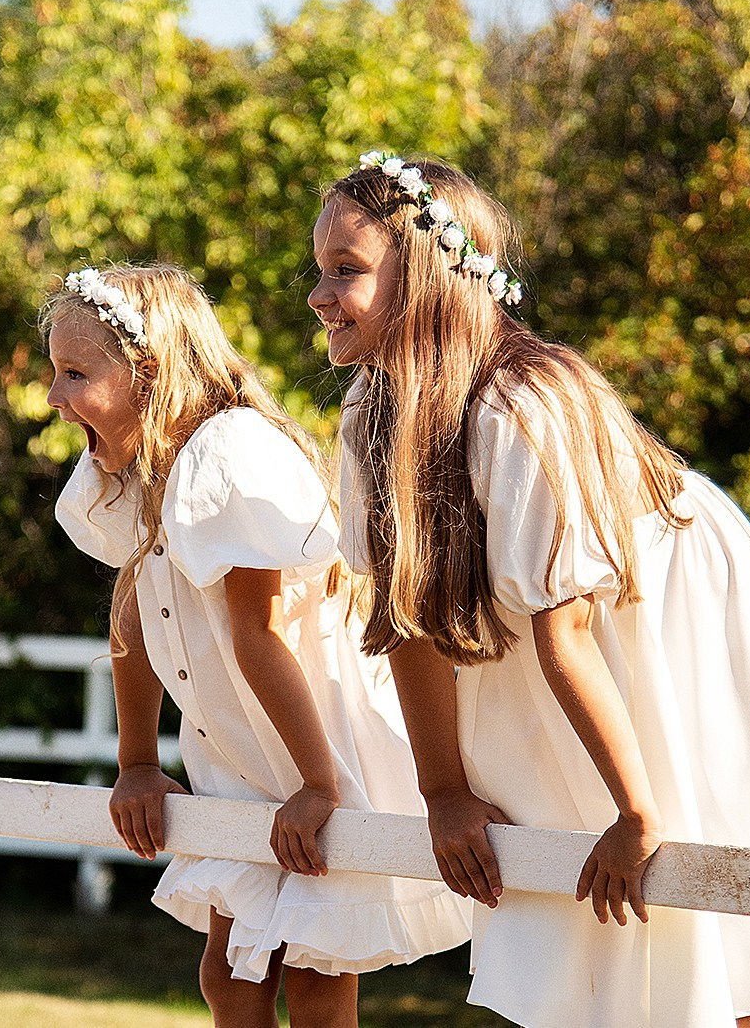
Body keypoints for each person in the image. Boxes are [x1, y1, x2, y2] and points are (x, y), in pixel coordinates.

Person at [308, 151, 750, 1028]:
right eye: (318, 271)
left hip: (661, 612)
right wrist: (444, 792)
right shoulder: (371, 415)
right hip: (552, 653)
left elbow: (568, 633)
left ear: (430, 281)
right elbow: (408, 625)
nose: (319, 295)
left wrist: (635, 812)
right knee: (571, 936)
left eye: (346, 272)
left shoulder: (521, 408)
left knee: (713, 929)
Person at [43, 262, 471, 1028]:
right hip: (239, 761)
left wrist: (317, 784)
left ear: (149, 372)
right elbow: (135, 620)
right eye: (55, 372)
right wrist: (137, 761)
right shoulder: (140, 467)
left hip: (311, 747)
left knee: (313, 973)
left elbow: (260, 633)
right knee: (230, 976)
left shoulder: (225, 455)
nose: (54, 395)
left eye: (75, 373)